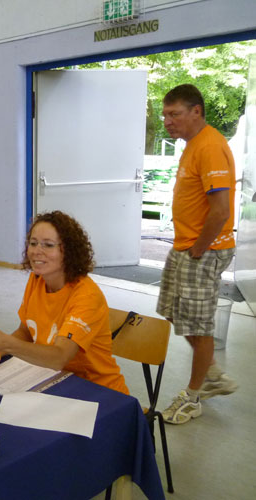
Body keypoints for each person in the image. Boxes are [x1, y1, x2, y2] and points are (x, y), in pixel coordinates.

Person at [0, 211, 129, 395]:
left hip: (98, 391)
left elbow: (59, 357)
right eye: (33, 243)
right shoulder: (37, 279)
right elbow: (26, 332)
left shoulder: (87, 296)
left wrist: (6, 344)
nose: (36, 251)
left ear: (69, 251)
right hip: (55, 380)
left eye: (48, 245)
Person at [157, 84, 238, 425]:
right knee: (174, 312)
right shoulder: (192, 144)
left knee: (198, 326)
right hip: (186, 247)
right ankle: (212, 373)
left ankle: (193, 396)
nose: (168, 121)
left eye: (174, 114)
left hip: (203, 250)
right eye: (165, 114)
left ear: (196, 112)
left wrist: (199, 249)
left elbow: (220, 210)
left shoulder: (210, 146)